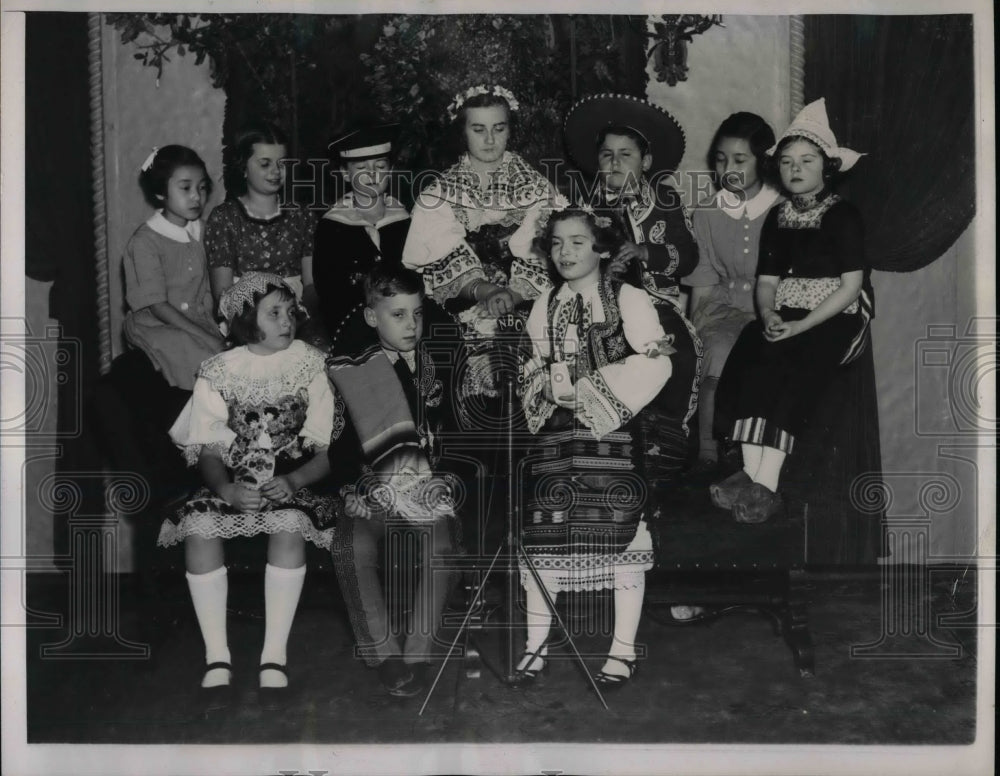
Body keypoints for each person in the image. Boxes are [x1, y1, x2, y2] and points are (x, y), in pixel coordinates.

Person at [158, 272, 337, 707]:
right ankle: (217, 657)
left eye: (290, 312)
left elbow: (328, 449)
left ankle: (273, 656)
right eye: (273, 312)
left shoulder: (310, 363)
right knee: (200, 528)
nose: (286, 321)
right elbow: (208, 449)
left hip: (292, 478)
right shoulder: (220, 371)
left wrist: (293, 480)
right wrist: (226, 491)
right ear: (244, 319)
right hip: (231, 482)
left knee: (289, 526)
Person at [516, 206, 674, 689]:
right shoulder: (545, 303)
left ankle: (622, 650)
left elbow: (659, 363)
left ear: (602, 248)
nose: (566, 252)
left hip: (615, 435)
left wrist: (592, 392)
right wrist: (542, 387)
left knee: (622, 535)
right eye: (559, 243)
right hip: (555, 440)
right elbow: (529, 365)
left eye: (578, 242)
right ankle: (534, 645)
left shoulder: (628, 298)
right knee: (545, 535)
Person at [710, 98, 873, 524]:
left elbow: (851, 287)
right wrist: (768, 316)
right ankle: (747, 472)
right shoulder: (778, 216)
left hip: (838, 316)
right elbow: (767, 284)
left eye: (806, 160)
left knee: (796, 367)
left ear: (827, 166)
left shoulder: (844, 215)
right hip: (787, 310)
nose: (795, 169)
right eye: (786, 162)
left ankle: (765, 483)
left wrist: (801, 326)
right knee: (752, 352)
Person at [326, 265, 460, 699]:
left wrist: (444, 481)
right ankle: (383, 653)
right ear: (371, 318)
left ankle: (418, 655)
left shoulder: (437, 365)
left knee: (440, 546)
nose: (411, 325)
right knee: (351, 545)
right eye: (397, 315)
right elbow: (340, 446)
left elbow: (457, 436)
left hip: (427, 488)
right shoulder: (354, 371)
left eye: (417, 314)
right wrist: (355, 489)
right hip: (373, 487)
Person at [563, 93, 702, 491]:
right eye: (607, 155)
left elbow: (689, 257)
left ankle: (666, 445)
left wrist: (645, 252)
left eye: (626, 154)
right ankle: (602, 449)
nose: (615, 163)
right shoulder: (581, 204)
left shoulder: (665, 200)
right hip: (598, 302)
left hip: (656, 301)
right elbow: (566, 255)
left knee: (680, 352)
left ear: (646, 161)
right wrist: (604, 267)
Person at [402, 84, 562, 400]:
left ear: (510, 131)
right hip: (463, 300)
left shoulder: (538, 189)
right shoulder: (438, 194)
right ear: (463, 132)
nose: (489, 140)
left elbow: (553, 252)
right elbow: (434, 260)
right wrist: (486, 291)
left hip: (526, 297)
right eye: (479, 129)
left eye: (498, 128)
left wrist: (513, 294)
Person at [686, 113, 783, 467]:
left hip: (773, 307)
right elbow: (704, 279)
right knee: (715, 347)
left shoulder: (782, 208)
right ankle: (707, 451)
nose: (728, 168)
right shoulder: (706, 213)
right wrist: (694, 330)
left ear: (763, 161)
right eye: (721, 158)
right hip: (724, 309)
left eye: (740, 160)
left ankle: (754, 459)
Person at [122, 145, 223, 394]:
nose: (196, 197)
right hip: (158, 324)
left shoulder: (205, 230)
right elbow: (157, 305)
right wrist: (206, 336)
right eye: (185, 188)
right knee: (203, 360)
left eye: (201, 187)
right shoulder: (145, 242)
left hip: (199, 320)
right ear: (160, 192)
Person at [205, 122, 318, 317]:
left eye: (282, 163)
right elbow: (222, 294)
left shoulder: (302, 214)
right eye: (265, 164)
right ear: (243, 167)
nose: (276, 171)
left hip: (296, 313)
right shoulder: (224, 218)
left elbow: (311, 284)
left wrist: (301, 315)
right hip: (246, 317)